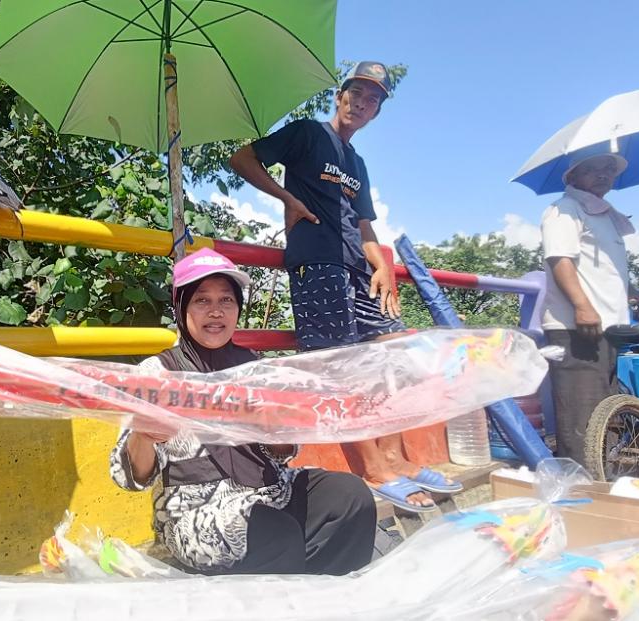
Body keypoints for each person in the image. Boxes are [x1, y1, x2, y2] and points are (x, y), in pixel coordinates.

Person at [228, 61, 459, 512]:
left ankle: (397, 458)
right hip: (318, 263)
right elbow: (241, 158)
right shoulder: (308, 135)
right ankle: (373, 469)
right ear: (340, 95)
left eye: (373, 99)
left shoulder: (357, 163)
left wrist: (384, 267)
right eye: (357, 92)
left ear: (377, 112)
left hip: (358, 269)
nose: (362, 102)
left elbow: (365, 225)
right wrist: (287, 198)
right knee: (340, 371)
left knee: (392, 360)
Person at [109, 248, 376, 575]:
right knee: (275, 536)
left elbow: (282, 453)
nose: (216, 312)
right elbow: (129, 478)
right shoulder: (157, 374)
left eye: (226, 300)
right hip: (196, 512)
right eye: (202, 300)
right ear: (181, 308)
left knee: (351, 497)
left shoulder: (255, 367)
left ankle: (321, 598)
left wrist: (273, 427)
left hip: (270, 494)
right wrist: (144, 435)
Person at [541, 152, 639, 467]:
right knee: (583, 417)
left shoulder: (602, 215)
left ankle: (606, 477)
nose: (603, 174)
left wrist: (634, 293)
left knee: (606, 412)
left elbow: (605, 268)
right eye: (592, 169)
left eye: (608, 169)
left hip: (606, 328)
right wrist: (582, 306)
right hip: (578, 328)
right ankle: (584, 489)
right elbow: (560, 259)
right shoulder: (565, 210)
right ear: (572, 177)